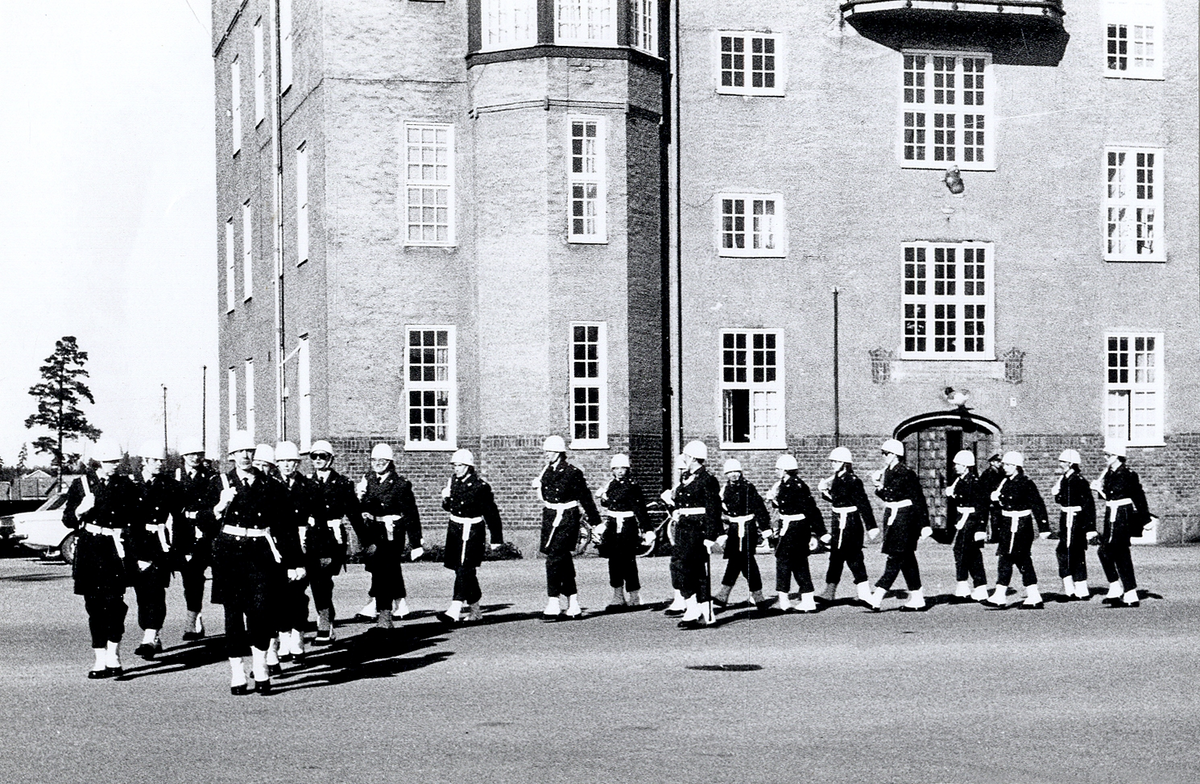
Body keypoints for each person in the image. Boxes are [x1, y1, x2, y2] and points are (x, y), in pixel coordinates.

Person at [210, 430, 302, 695]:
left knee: (261, 612)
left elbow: (286, 527)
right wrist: (218, 507)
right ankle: (237, 672)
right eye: (240, 452)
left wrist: (295, 562)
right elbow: (204, 522)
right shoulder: (220, 483)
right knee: (233, 616)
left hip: (260, 554)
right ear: (232, 455)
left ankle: (260, 665)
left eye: (249, 451)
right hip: (229, 555)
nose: (245, 456)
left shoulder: (271, 485)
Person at [62, 441, 137, 679]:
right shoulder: (81, 484)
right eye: (109, 462)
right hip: (90, 549)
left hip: (115, 547)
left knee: (115, 604)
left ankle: (114, 653)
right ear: (98, 462)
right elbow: (67, 519)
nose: (114, 466)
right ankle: (99, 658)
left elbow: (134, 518)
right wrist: (80, 510)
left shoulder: (125, 485)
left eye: (116, 462)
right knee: (94, 605)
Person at [353, 443, 423, 633]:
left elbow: (411, 514)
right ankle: (399, 602)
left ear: (390, 462)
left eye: (382, 461)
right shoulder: (368, 479)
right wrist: (359, 497)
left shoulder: (400, 484)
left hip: (392, 531)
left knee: (385, 568)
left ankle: (377, 604)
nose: (378, 464)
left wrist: (416, 542)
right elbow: (363, 507)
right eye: (374, 460)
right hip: (373, 529)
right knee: (382, 568)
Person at [533, 436, 601, 620]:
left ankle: (553, 601)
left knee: (554, 558)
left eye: (550, 451)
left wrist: (596, 522)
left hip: (567, 518)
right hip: (550, 517)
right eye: (546, 451)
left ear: (559, 452)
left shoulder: (572, 472)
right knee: (562, 560)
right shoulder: (547, 471)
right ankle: (573, 602)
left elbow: (585, 497)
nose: (547, 454)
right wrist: (539, 487)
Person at [659, 441, 722, 628]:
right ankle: (697, 608)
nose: (684, 459)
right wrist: (671, 504)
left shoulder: (707, 479)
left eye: (686, 456)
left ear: (693, 458)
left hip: (697, 528)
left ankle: (699, 610)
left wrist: (711, 535)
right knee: (685, 567)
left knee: (691, 569)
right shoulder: (687, 477)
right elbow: (681, 503)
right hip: (684, 527)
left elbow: (713, 509)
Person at [866, 439, 932, 612]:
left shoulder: (905, 473)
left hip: (905, 518)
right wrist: (879, 486)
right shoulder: (888, 471)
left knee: (895, 557)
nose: (883, 456)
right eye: (883, 453)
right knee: (907, 559)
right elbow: (889, 497)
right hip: (893, 516)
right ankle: (917, 597)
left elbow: (918, 498)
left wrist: (924, 524)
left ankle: (877, 595)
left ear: (895, 454)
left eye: (886, 453)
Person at [438, 449, 504, 623]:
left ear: (468, 466)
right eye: (454, 465)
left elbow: (491, 513)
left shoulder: (480, 487)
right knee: (463, 570)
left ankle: (455, 608)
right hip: (455, 528)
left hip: (472, 530)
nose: (456, 468)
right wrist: (445, 499)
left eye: (460, 465)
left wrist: (496, 538)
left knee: (464, 568)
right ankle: (475, 610)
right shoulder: (454, 481)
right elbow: (451, 507)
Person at [305, 439, 361, 644]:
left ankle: (325, 621)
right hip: (312, 536)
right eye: (315, 456)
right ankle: (325, 618)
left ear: (331, 459)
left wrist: (365, 540)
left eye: (323, 456)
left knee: (324, 579)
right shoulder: (306, 482)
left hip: (332, 536)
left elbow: (354, 513)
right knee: (315, 579)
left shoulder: (343, 483)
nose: (318, 460)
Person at [130, 441, 180, 659]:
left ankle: (150, 636)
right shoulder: (131, 484)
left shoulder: (170, 485)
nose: (159, 464)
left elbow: (179, 514)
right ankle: (151, 633)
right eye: (155, 460)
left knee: (156, 590)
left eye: (162, 461)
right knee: (142, 592)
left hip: (159, 543)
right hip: (135, 541)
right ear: (144, 461)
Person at [984, 451, 1051, 610]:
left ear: (1016, 466)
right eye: (1004, 464)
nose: (1005, 467)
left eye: (1008, 465)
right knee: (1012, 558)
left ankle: (1021, 595)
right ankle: (1016, 595)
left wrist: (1044, 527)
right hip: (1008, 525)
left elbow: (1037, 505)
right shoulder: (1005, 482)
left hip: (1021, 525)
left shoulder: (1025, 483)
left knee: (1015, 558)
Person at [816, 447, 879, 605]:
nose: (833, 464)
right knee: (836, 557)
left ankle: (864, 593)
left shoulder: (853, 480)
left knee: (853, 557)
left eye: (836, 461)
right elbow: (838, 500)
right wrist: (825, 492)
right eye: (832, 461)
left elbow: (863, 503)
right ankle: (830, 591)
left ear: (845, 463)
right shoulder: (837, 478)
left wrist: (871, 526)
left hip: (850, 523)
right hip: (838, 522)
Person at [1091, 440, 1149, 608]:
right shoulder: (1110, 473)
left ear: (1117, 456)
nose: (1105, 458)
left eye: (1108, 455)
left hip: (1123, 514)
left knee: (1119, 551)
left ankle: (1130, 592)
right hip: (1111, 514)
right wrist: (1099, 490)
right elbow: (1109, 495)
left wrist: (1145, 519)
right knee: (1106, 551)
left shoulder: (1128, 474)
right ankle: (1116, 587)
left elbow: (1138, 496)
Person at [766, 454, 825, 613]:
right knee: (797, 563)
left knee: (786, 561)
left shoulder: (796, 486)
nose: (776, 471)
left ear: (785, 470)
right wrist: (774, 500)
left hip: (796, 527)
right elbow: (786, 505)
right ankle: (805, 600)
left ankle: (786, 600)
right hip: (789, 526)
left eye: (778, 469)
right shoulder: (784, 484)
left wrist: (821, 531)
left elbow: (810, 509)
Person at [173, 438, 217, 641]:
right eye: (191, 454)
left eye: (199, 454)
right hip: (184, 532)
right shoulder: (175, 476)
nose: (195, 458)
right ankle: (193, 618)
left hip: (207, 530)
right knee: (190, 579)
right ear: (183, 456)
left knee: (219, 576)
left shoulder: (210, 477)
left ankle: (233, 621)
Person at [713, 458, 771, 609]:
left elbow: (759, 507)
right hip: (733, 529)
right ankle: (756, 594)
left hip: (747, 528)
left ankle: (727, 593)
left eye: (736, 471)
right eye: (730, 472)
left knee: (743, 560)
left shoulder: (748, 487)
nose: (734, 475)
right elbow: (718, 508)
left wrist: (765, 528)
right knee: (740, 561)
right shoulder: (724, 489)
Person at [273, 441, 312, 661]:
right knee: (279, 594)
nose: (287, 465)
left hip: (303, 543)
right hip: (278, 545)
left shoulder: (307, 486)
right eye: (282, 461)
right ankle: (284, 636)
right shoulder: (270, 485)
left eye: (291, 461)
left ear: (297, 463)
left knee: (298, 593)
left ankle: (298, 634)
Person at [595, 454, 651, 610]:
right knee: (613, 561)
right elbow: (608, 504)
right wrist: (604, 497)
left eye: (623, 468)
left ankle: (634, 595)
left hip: (627, 525)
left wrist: (647, 529)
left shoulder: (632, 486)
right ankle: (618, 595)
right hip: (613, 525)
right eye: (616, 468)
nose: (619, 471)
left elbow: (640, 509)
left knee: (628, 560)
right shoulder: (611, 484)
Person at [944, 450, 990, 602]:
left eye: (959, 464)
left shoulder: (974, 482)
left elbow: (982, 506)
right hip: (962, 519)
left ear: (966, 466)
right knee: (971, 553)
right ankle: (978, 587)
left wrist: (981, 528)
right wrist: (952, 496)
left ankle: (965, 586)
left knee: (962, 550)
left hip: (971, 520)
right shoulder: (959, 480)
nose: (956, 467)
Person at [1053, 448, 1096, 601]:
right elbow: (1061, 499)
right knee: (1065, 551)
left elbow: (1088, 504)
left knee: (1074, 552)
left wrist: (1090, 527)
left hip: (1076, 519)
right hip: (1066, 518)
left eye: (1063, 462)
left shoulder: (1078, 480)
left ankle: (1079, 588)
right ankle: (1070, 587)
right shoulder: (1065, 479)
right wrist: (1057, 493)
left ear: (1071, 464)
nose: (1060, 464)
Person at [662, 453, 691, 616]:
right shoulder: (679, 487)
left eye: (683, 469)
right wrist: (670, 503)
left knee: (689, 565)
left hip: (692, 528)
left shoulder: (695, 484)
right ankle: (679, 597)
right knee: (676, 563)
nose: (682, 473)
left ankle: (692, 601)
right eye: (679, 470)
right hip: (679, 528)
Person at [978, 453, 1004, 544]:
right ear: (992, 462)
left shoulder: (1001, 472)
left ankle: (996, 536)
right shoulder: (987, 473)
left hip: (997, 499)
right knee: (989, 518)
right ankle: (991, 536)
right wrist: (989, 499)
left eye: (1000, 462)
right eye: (997, 461)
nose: (999, 463)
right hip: (988, 500)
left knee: (997, 517)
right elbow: (984, 488)